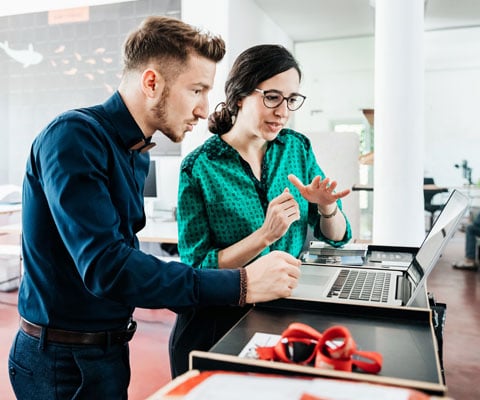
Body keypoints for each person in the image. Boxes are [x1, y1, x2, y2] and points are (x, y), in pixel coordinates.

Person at [8, 17, 302, 399]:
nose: (203, 109)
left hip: (106, 351)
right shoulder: (73, 137)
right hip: (62, 363)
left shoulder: (136, 153)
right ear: (152, 83)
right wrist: (241, 284)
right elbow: (108, 268)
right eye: (196, 90)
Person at [169, 44, 352, 378]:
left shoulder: (296, 148)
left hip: (283, 314)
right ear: (239, 96)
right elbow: (197, 266)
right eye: (272, 97)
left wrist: (327, 208)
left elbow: (337, 237)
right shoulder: (199, 167)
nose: (283, 111)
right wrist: (264, 235)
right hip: (216, 324)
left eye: (292, 99)